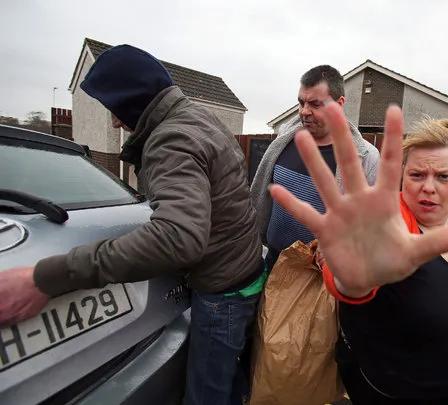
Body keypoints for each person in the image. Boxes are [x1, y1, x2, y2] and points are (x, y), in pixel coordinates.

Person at [0, 45, 264, 405]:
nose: (113, 122)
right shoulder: (198, 119)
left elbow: (177, 239)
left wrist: (46, 277)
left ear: (135, 100)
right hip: (240, 277)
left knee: (207, 395)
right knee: (228, 383)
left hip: (222, 295)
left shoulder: (171, 139)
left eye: (115, 108)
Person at [269, 103, 448, 404]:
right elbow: (352, 282)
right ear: (403, 173)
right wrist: (352, 280)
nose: (428, 188)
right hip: (388, 390)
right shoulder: (384, 224)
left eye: (444, 177)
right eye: (417, 175)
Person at [250, 64, 380, 272]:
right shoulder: (285, 140)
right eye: (301, 103)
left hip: (319, 275)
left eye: (315, 104)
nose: (304, 112)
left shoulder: (366, 158)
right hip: (273, 261)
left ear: (339, 104)